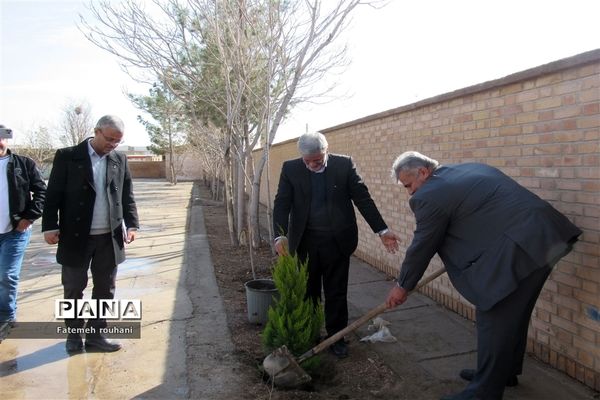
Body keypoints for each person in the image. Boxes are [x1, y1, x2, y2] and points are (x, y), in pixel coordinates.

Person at [385, 151, 581, 400]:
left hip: (525, 243)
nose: (410, 192)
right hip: (545, 236)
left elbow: (423, 245)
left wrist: (403, 285)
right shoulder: (463, 170)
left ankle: (484, 392)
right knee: (513, 314)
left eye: (409, 184)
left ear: (423, 172)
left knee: (495, 311)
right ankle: (503, 372)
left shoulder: (428, 195)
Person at [273, 132, 400, 358]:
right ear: (301, 156)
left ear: (326, 150)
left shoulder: (344, 165)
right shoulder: (290, 168)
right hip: (304, 242)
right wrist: (279, 236)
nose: (312, 165)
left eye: (318, 160)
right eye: (308, 161)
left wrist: (382, 230)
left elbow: (363, 198)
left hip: (337, 242)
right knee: (308, 292)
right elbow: (282, 204)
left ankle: (336, 338)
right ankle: (310, 335)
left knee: (336, 292)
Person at [42, 115, 139, 353]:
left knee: (105, 288)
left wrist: (132, 224)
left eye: (118, 141)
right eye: (109, 139)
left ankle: (96, 336)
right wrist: (49, 226)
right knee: (74, 287)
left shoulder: (119, 159)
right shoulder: (67, 156)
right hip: (75, 236)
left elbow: (127, 194)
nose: (113, 145)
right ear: (96, 131)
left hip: (110, 236)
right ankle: (73, 336)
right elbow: (52, 193)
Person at [0, 125, 47, 342]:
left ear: (6, 140)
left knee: (7, 275)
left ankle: (7, 316)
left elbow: (41, 192)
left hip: (15, 232)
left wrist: (28, 217)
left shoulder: (23, 164)